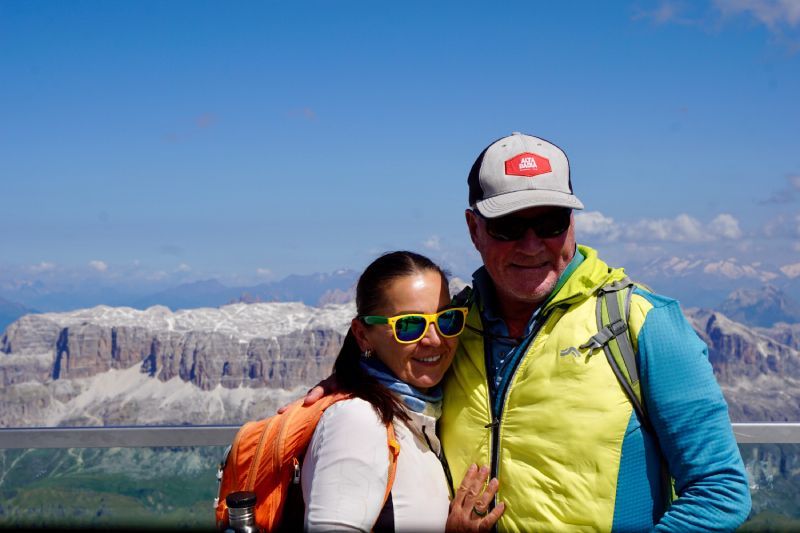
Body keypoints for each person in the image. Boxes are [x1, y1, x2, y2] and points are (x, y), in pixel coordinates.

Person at [300, 133, 752, 531]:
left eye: (551, 222)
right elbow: (393, 357)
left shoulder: (641, 322)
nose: (532, 244)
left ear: (572, 223)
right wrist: (350, 384)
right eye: (508, 226)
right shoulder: (452, 325)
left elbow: (720, 490)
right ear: (473, 228)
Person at [301, 250, 504, 532]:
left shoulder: (419, 413)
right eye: (409, 326)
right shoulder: (358, 421)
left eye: (447, 320)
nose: (435, 340)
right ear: (362, 335)